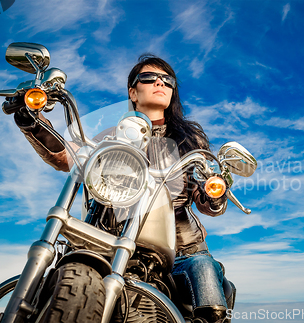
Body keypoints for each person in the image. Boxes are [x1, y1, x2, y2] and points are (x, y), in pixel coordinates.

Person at [14, 54, 232, 323]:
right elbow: (70, 156)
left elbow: (203, 190)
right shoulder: (111, 135)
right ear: (133, 91)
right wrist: (33, 123)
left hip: (180, 250)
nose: (160, 83)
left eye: (167, 80)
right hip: (109, 239)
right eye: (149, 78)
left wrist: (215, 193)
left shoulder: (189, 139)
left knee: (204, 270)